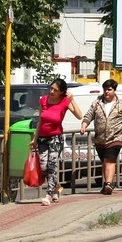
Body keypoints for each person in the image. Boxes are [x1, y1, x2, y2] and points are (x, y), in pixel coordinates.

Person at [30, 77, 83, 206]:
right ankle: (57, 186)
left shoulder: (64, 101)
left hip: (55, 138)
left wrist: (72, 100)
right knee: (43, 167)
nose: (51, 91)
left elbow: (79, 115)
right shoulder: (43, 100)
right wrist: (35, 139)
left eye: (55, 89)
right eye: (51, 88)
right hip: (42, 137)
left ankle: (48, 194)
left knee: (52, 166)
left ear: (61, 92)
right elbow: (40, 121)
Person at [80, 78, 122, 195]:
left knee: (110, 160)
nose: (107, 92)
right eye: (105, 89)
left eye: (109, 89)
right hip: (100, 138)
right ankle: (106, 184)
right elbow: (89, 115)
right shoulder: (97, 103)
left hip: (115, 138)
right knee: (104, 161)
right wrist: (84, 125)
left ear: (114, 90)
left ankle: (109, 183)